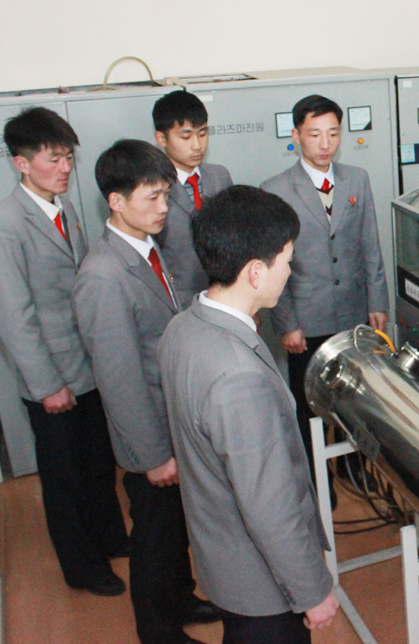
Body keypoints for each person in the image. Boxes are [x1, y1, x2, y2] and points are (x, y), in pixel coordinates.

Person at [159, 186, 339, 644]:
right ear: (256, 271)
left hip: (223, 562)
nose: (290, 271)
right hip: (263, 587)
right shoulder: (238, 376)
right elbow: (269, 505)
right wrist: (312, 591)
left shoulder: (184, 325)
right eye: (287, 260)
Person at [73, 140, 220, 644]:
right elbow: (119, 380)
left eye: (166, 196)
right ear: (116, 201)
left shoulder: (145, 248)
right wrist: (152, 455)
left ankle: (181, 599)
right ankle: (159, 631)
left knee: (176, 529)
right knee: (155, 539)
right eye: (152, 197)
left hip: (171, 421)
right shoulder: (103, 276)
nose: (164, 208)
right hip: (150, 437)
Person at [0, 107, 129, 596]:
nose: (65, 168)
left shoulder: (65, 208)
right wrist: (46, 385)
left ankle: (111, 539)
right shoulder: (8, 223)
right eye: (53, 159)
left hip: (87, 367)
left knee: (99, 464)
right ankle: (83, 568)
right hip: (51, 378)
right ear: (21, 163)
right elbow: (14, 316)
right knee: (64, 480)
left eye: (68, 157)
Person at [260, 94, 388, 497]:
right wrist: (287, 323)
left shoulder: (357, 179)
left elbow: (370, 245)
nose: (325, 143)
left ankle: (355, 468)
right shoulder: (276, 189)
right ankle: (317, 481)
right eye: (315, 134)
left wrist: (377, 302)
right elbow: (273, 262)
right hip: (306, 320)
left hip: (353, 313)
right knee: (309, 403)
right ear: (296, 135)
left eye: (333, 133)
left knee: (356, 399)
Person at [153, 90, 234, 305]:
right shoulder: (153, 187)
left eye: (203, 134)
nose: (197, 145)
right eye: (186, 137)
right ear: (161, 138)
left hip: (224, 298)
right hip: (178, 302)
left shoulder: (219, 176)